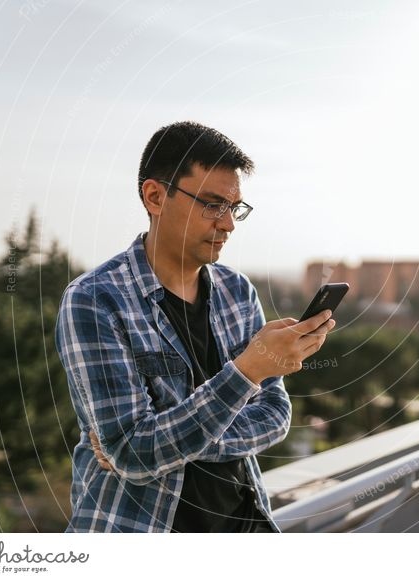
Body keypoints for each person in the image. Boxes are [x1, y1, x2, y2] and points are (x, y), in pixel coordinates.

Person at [54, 121, 335, 532]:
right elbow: (134, 453)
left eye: (234, 207)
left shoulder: (238, 292)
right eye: (212, 204)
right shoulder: (95, 300)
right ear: (154, 196)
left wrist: (168, 441)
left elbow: (275, 415)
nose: (228, 224)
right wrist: (247, 373)